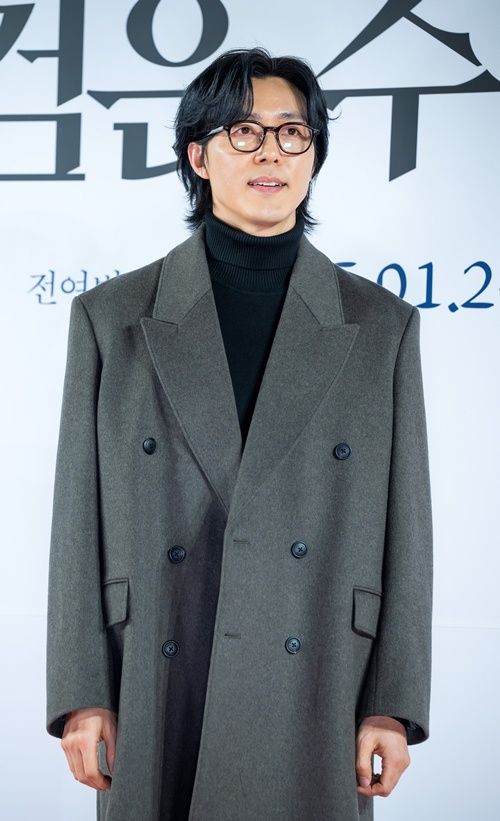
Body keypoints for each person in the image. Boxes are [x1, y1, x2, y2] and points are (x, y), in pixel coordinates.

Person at [46, 47, 433, 821]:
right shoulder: (112, 318)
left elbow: (407, 528)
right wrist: (82, 692)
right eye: (244, 132)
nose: (270, 153)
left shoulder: (380, 325)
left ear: (313, 153)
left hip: (321, 669)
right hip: (158, 662)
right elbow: (76, 522)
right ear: (199, 155)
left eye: (293, 133)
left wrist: (393, 702)